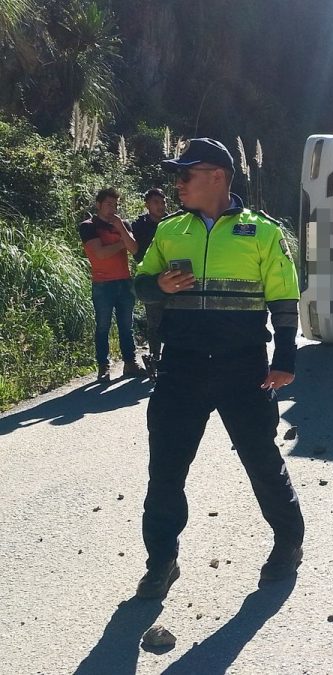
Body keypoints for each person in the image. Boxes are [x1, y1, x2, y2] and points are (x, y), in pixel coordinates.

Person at [133, 138, 304, 598]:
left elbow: (284, 299)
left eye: (186, 174)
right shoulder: (169, 231)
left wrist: (285, 358)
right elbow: (141, 283)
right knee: (165, 469)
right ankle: (161, 561)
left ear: (217, 176)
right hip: (180, 369)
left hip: (242, 369)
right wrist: (159, 285)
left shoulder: (263, 232)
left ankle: (288, 542)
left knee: (261, 462)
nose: (178, 183)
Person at [79, 188, 144, 381]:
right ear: (98, 205)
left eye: (115, 205)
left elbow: (134, 249)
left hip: (124, 281)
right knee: (102, 326)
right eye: (109, 204)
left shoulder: (122, 224)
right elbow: (100, 253)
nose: (113, 209)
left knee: (127, 325)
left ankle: (130, 363)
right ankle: (103, 366)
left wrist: (122, 230)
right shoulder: (88, 226)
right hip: (102, 284)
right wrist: (122, 243)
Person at [130, 188, 168, 378]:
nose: (160, 206)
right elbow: (135, 251)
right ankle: (155, 358)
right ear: (147, 204)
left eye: (163, 202)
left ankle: (173, 359)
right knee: (154, 322)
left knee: (176, 318)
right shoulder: (139, 225)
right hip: (151, 279)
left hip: (173, 275)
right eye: (156, 202)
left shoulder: (174, 221)